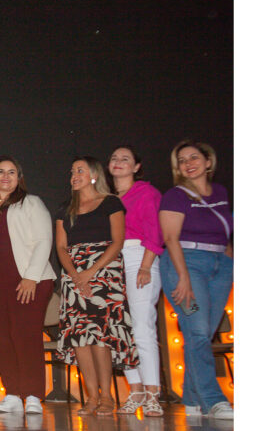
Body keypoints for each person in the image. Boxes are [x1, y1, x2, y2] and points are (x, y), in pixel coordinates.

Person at [54, 156, 138, 416]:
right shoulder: (65, 209)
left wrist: (91, 272)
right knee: (80, 337)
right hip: (74, 274)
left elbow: (117, 241)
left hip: (104, 273)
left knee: (101, 336)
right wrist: (75, 275)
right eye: (72, 171)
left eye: (80, 170)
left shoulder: (111, 203)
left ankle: (107, 397)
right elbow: (60, 247)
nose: (74, 175)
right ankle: (91, 397)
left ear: (94, 175)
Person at [158, 140, 234, 420]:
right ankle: (213, 400)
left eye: (194, 157)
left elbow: (225, 234)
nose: (188, 163)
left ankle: (192, 398)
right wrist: (183, 277)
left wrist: (230, 266)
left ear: (208, 161)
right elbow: (170, 238)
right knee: (198, 333)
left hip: (220, 265)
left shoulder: (221, 192)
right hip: (186, 263)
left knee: (203, 335)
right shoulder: (175, 196)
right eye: (182, 160)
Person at [0, 156, 56, 415]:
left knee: (27, 337)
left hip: (28, 280)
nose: (6, 177)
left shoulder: (31, 203)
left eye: (11, 172)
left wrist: (31, 277)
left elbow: (44, 240)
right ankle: (12, 393)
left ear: (19, 177)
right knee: (2, 337)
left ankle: (32, 395)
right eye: (1, 171)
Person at [108, 146, 165, 417]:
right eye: (114, 158)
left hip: (139, 257)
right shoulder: (108, 199)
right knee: (121, 330)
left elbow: (155, 231)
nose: (118, 162)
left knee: (142, 327)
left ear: (136, 166)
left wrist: (145, 266)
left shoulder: (146, 193)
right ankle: (136, 390)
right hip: (113, 262)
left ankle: (153, 393)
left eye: (125, 159)